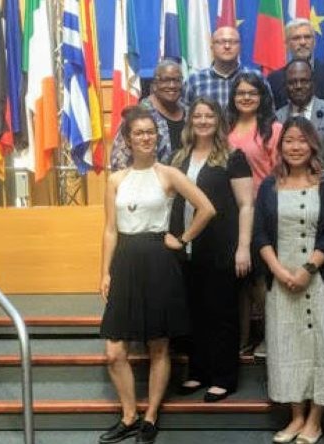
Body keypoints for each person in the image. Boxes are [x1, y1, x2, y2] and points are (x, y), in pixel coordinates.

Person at [98, 106, 216, 444]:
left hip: (159, 261)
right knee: (114, 352)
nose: (146, 137)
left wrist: (182, 239)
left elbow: (207, 209)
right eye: (139, 133)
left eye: (151, 132)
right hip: (124, 261)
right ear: (127, 139)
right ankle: (129, 414)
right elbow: (109, 230)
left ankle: (150, 418)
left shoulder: (168, 174)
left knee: (158, 346)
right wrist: (104, 272)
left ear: (157, 136)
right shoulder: (115, 179)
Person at [254, 117, 324, 444]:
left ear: (312, 144)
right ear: (280, 147)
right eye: (288, 141)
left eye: (301, 140)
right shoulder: (269, 186)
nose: (295, 147)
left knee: (322, 348)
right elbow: (260, 234)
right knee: (288, 348)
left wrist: (306, 270)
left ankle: (315, 420)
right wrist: (280, 271)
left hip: (320, 280)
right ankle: (296, 418)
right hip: (281, 282)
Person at [169, 98, 254, 402]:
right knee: (193, 312)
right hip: (186, 249)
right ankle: (197, 372)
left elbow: (246, 205)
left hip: (222, 247)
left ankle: (224, 377)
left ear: (219, 121)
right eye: (198, 116)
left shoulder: (233, 157)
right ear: (190, 121)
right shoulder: (179, 157)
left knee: (221, 313)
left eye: (209, 116)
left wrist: (244, 247)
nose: (203, 121)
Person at [227, 71, 283, 357]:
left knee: (259, 277)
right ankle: (243, 339)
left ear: (261, 97)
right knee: (240, 279)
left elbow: (280, 174)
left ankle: (272, 337)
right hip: (230, 212)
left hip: (262, 210)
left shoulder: (272, 129)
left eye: (252, 93)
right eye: (240, 93)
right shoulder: (225, 128)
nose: (246, 97)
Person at [111, 60, 186, 171]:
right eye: (165, 80)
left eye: (177, 80)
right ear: (154, 85)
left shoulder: (189, 113)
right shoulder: (137, 116)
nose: (172, 85)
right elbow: (119, 162)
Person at [275, 59, 324, 166]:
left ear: (313, 83)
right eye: (292, 82)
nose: (298, 86)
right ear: (285, 85)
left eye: (304, 81)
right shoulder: (277, 118)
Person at [267, 19, 324, 109]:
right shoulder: (274, 79)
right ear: (287, 44)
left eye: (307, 37)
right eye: (296, 38)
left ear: (314, 42)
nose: (303, 42)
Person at [181, 26, 271, 110]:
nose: (227, 46)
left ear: (240, 47)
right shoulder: (194, 81)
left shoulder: (257, 77)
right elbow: (186, 118)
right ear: (212, 47)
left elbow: (269, 113)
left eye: (232, 42)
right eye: (221, 42)